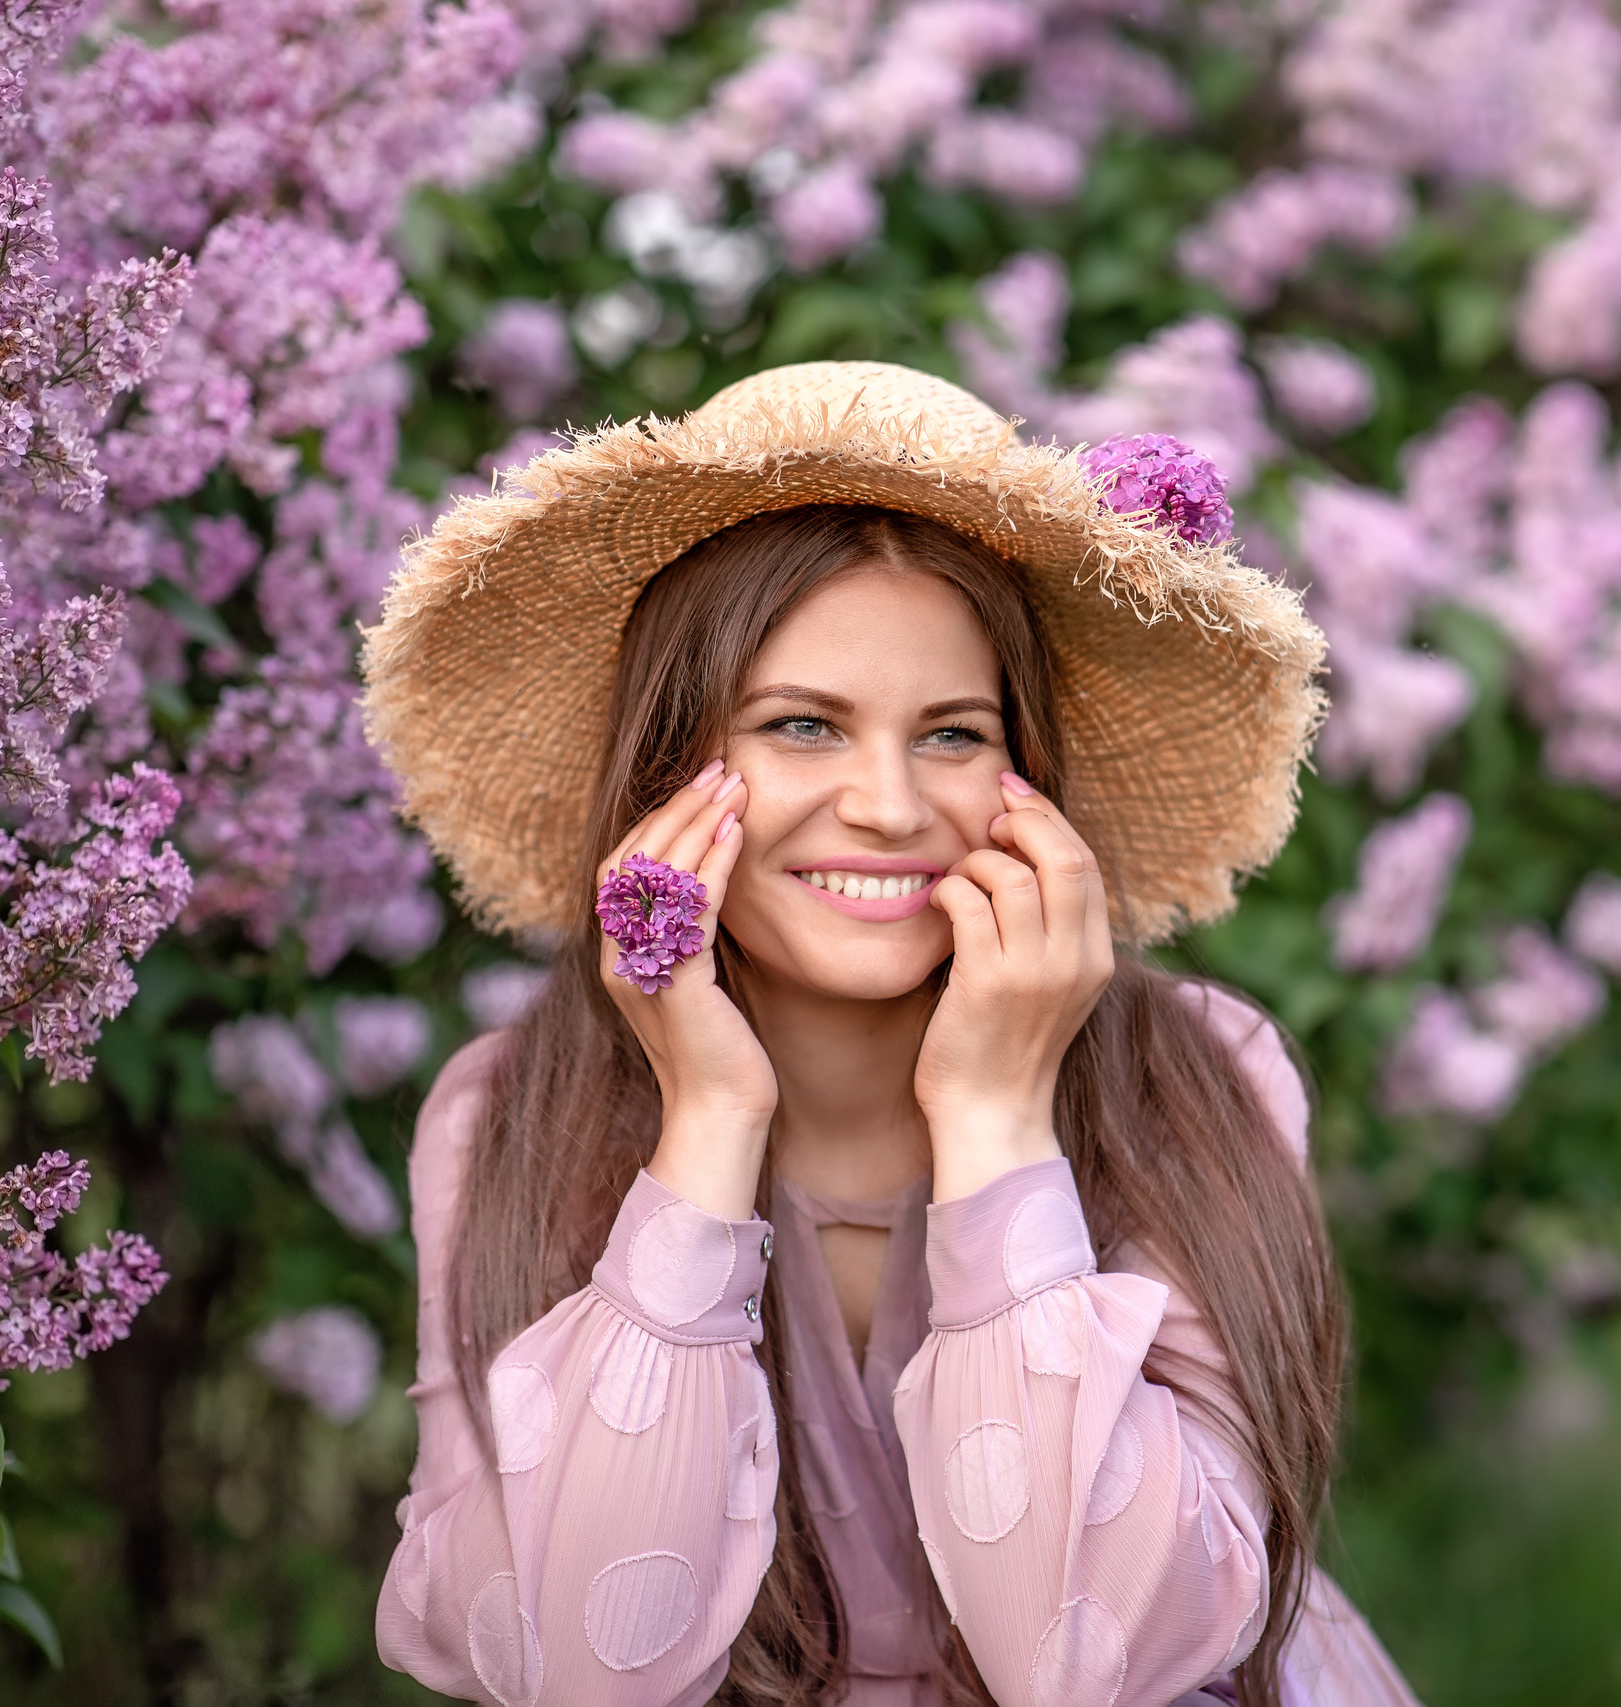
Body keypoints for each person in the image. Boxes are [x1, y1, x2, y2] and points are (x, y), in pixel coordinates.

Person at [363, 362, 1422, 1706]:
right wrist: (707, 1129)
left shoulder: (1200, 1077)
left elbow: (1093, 1655)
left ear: (1027, 775)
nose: (888, 806)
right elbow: (584, 1664)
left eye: (953, 736)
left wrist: (997, 1120)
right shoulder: (508, 1112)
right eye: (803, 725)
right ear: (667, 768)